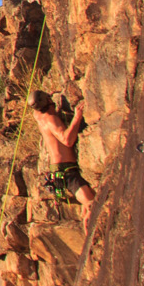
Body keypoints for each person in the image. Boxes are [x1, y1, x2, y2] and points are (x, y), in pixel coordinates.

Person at [31, 90, 96, 219]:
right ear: (48, 101)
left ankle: (88, 231)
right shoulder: (51, 119)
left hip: (59, 172)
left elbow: (35, 104)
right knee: (92, 205)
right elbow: (67, 140)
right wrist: (77, 117)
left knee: (87, 206)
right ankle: (93, 237)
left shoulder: (38, 116)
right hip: (67, 172)